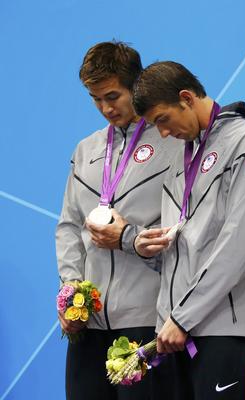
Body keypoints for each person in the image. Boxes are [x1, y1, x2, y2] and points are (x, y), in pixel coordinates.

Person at [131, 61, 245, 400]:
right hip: (176, 329)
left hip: (220, 326)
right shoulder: (181, 157)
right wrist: (150, 251)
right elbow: (191, 243)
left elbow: (240, 241)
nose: (162, 133)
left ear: (186, 98)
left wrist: (183, 316)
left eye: (162, 120)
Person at [56, 41, 178, 399]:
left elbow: (184, 231)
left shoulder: (172, 142)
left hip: (147, 321)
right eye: (96, 99)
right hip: (89, 326)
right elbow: (68, 227)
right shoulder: (87, 150)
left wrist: (127, 237)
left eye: (112, 96)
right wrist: (71, 292)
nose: (105, 108)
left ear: (136, 85)